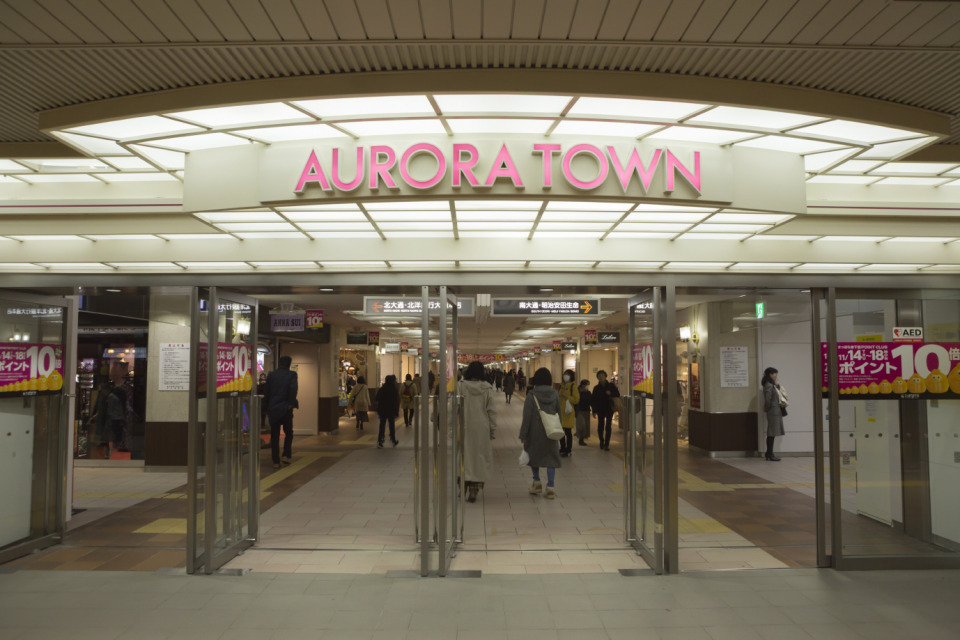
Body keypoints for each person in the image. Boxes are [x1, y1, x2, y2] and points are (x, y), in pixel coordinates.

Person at [520, 367, 561, 499]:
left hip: (535, 432)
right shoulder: (555, 394)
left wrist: (523, 435)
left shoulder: (531, 395)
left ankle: (536, 482)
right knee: (551, 458)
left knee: (534, 456)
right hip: (551, 431)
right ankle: (550, 487)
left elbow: (526, 417)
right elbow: (558, 413)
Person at [460, 361, 497, 502]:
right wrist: (492, 429)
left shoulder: (461, 386)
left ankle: (462, 484)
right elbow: (492, 411)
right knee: (479, 457)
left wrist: (451, 428)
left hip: (464, 425)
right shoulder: (487, 388)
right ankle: (474, 489)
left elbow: (453, 408)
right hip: (482, 427)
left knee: (464, 455)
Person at [265, 356, 299, 469]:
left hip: (273, 408)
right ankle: (286, 455)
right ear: (289, 364)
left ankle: (275, 461)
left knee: (274, 435)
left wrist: (265, 408)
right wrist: (290, 403)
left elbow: (267, 393)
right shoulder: (292, 375)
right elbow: (293, 389)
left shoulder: (271, 375)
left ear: (279, 363)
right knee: (288, 432)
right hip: (286, 408)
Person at [762, 367, 787, 461]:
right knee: (772, 433)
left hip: (774, 411)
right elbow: (768, 399)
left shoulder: (771, 385)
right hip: (773, 411)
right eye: (774, 374)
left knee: (772, 433)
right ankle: (770, 454)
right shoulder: (768, 385)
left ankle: (769, 453)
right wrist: (768, 408)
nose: (776, 375)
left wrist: (777, 385)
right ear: (770, 374)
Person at [592, 370, 620, 451]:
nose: (601, 377)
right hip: (600, 409)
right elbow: (594, 400)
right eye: (599, 376)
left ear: (605, 376)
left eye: (602, 375)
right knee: (600, 425)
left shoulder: (611, 385)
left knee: (608, 426)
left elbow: (617, 394)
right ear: (597, 377)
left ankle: (607, 444)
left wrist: (610, 393)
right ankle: (601, 441)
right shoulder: (596, 388)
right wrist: (594, 411)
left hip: (609, 408)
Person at [558, 368, 579, 457]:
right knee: (560, 432)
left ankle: (568, 449)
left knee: (568, 432)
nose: (565, 376)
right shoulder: (561, 386)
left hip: (568, 413)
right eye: (565, 374)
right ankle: (562, 448)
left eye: (568, 374)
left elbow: (576, 400)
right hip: (560, 412)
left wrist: (567, 397)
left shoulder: (572, 387)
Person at [375, 374, 401, 448]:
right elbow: (397, 401)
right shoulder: (394, 390)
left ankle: (380, 440)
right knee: (391, 425)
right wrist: (396, 411)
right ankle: (393, 439)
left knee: (382, 425)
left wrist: (378, 410)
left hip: (382, 410)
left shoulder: (382, 389)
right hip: (391, 410)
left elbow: (377, 399)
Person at [576, 379, 592, 446]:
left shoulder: (588, 393)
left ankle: (583, 438)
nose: (586, 386)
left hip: (587, 410)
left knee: (586, 425)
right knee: (582, 425)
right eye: (585, 385)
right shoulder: (577, 392)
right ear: (582, 385)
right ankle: (580, 438)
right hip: (580, 410)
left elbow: (591, 401)